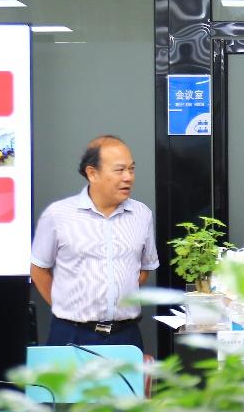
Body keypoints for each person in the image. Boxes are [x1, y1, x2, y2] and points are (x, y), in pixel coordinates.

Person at [30, 135, 159, 349]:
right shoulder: (58, 214)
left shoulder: (142, 214)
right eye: (119, 170)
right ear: (92, 173)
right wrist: (66, 308)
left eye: (131, 169)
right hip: (71, 334)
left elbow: (144, 269)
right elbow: (38, 269)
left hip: (125, 335)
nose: (128, 177)